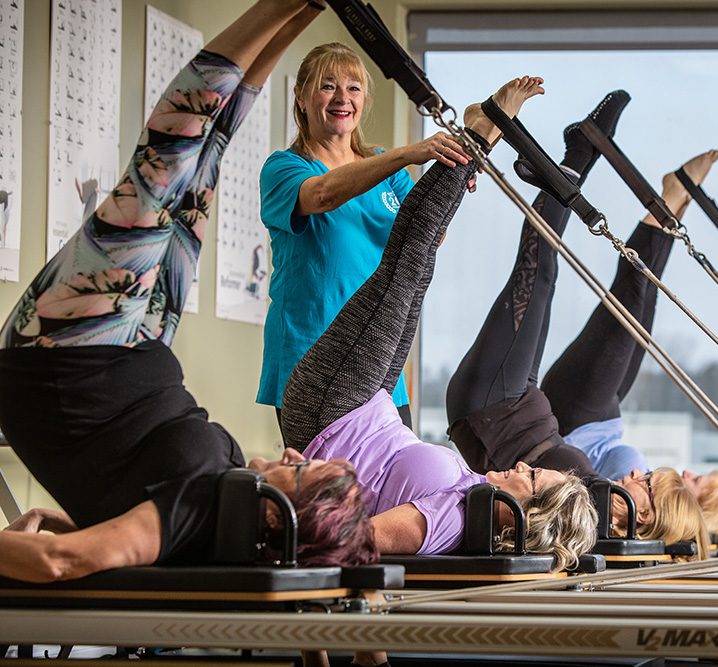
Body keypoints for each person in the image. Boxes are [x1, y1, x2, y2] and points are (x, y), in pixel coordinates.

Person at [0, 0, 376, 584]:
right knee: (206, 159)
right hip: (138, 352)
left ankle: (281, 4)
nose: (297, 453)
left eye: (305, 473)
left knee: (166, 157)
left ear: (281, 518)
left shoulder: (203, 506)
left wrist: (63, 538)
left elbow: (60, 561)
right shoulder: (222, 509)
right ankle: (296, 13)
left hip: (72, 361)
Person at [276, 77, 598, 574]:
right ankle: (479, 137)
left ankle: (480, 132)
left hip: (333, 414)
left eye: (532, 480)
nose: (522, 466)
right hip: (370, 409)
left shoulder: (456, 519)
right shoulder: (474, 498)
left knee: (407, 260)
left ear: (525, 518)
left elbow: (351, 539)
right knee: (419, 268)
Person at [447, 92, 718, 555]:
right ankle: (589, 163)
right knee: (561, 280)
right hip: (523, 403)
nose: (633, 474)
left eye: (643, 482)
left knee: (539, 268)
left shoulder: (599, 513)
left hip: (493, 408)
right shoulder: (606, 503)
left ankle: (574, 154)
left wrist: (688, 543)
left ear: (644, 514)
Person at [257, 41, 473, 430]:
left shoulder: (388, 173)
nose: (343, 98)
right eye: (328, 86)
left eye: (353, 88)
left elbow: (428, 234)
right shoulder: (285, 168)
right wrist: (407, 154)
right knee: (337, 488)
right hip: (313, 357)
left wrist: (451, 178)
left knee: (401, 484)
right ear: (301, 97)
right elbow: (321, 194)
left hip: (379, 350)